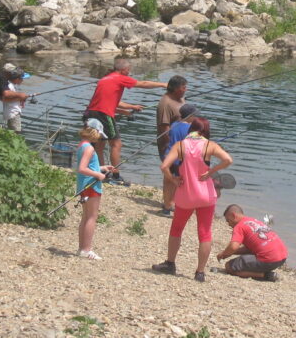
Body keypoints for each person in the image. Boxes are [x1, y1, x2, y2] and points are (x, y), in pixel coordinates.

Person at [152, 117, 232, 282]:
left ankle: (170, 263)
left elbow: (164, 166)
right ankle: (200, 272)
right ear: (205, 131)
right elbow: (228, 160)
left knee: (176, 229)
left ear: (192, 129)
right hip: (206, 196)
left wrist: (173, 180)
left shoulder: (180, 145)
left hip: (186, 195)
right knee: (204, 233)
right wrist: (212, 171)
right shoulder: (210, 145)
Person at [82, 57, 167, 186]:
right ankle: (116, 175)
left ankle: (101, 171)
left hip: (91, 113)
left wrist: (131, 108)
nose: (129, 72)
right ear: (124, 69)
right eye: (128, 70)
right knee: (116, 144)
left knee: (99, 145)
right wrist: (163, 85)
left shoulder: (106, 79)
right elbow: (142, 84)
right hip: (103, 115)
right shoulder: (120, 77)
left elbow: (110, 103)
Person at [75, 122, 116, 261]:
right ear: (94, 132)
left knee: (85, 217)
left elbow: (89, 166)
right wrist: (99, 175)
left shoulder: (82, 145)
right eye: (99, 134)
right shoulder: (89, 149)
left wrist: (102, 168)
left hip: (83, 185)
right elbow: (82, 168)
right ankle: (86, 249)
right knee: (91, 217)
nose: (99, 138)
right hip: (91, 186)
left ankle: (81, 249)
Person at [216, 204, 288, 282]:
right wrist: (231, 253)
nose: (229, 224)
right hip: (282, 257)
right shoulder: (254, 221)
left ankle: (266, 275)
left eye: (228, 221)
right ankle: (264, 271)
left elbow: (233, 247)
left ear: (234, 215)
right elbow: (250, 249)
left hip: (268, 259)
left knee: (229, 267)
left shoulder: (239, 226)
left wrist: (224, 254)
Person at [156, 75, 188, 216]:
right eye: (183, 88)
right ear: (175, 88)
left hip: (183, 143)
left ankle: (174, 201)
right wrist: (170, 147)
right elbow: (164, 128)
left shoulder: (180, 99)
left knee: (179, 171)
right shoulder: (165, 103)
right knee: (170, 171)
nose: (185, 90)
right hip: (170, 144)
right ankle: (167, 205)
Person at [2, 69, 31, 133]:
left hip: (12, 113)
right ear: (17, 79)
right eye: (21, 79)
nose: (22, 80)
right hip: (13, 113)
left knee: (13, 133)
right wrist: (20, 98)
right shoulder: (10, 86)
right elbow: (5, 99)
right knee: (16, 133)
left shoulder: (10, 85)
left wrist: (20, 98)